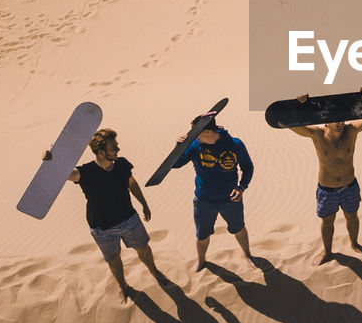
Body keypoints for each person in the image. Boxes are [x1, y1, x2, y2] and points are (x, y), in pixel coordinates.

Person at [54, 127, 161, 300]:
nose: (118, 149)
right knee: (113, 259)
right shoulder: (86, 172)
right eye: (114, 147)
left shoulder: (122, 164)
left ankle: (155, 271)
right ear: (101, 152)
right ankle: (123, 285)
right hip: (102, 228)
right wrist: (52, 160)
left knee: (143, 249)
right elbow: (66, 175)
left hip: (129, 219)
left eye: (117, 145)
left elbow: (131, 183)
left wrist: (144, 203)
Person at [287, 88, 362, 263]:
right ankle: (327, 252)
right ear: (325, 123)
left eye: (342, 118)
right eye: (335, 120)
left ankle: (355, 244)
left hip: (349, 186)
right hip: (327, 190)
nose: (340, 122)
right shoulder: (317, 134)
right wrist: (299, 105)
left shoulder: (351, 131)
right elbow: (291, 125)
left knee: (352, 216)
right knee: (327, 222)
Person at [172, 114, 256, 271]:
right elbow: (175, 165)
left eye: (195, 132)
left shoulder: (235, 144)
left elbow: (248, 167)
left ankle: (247, 255)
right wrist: (178, 147)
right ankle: (202, 261)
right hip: (204, 200)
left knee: (239, 229)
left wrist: (241, 187)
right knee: (202, 235)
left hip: (230, 200)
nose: (193, 136)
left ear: (207, 132)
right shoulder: (195, 145)